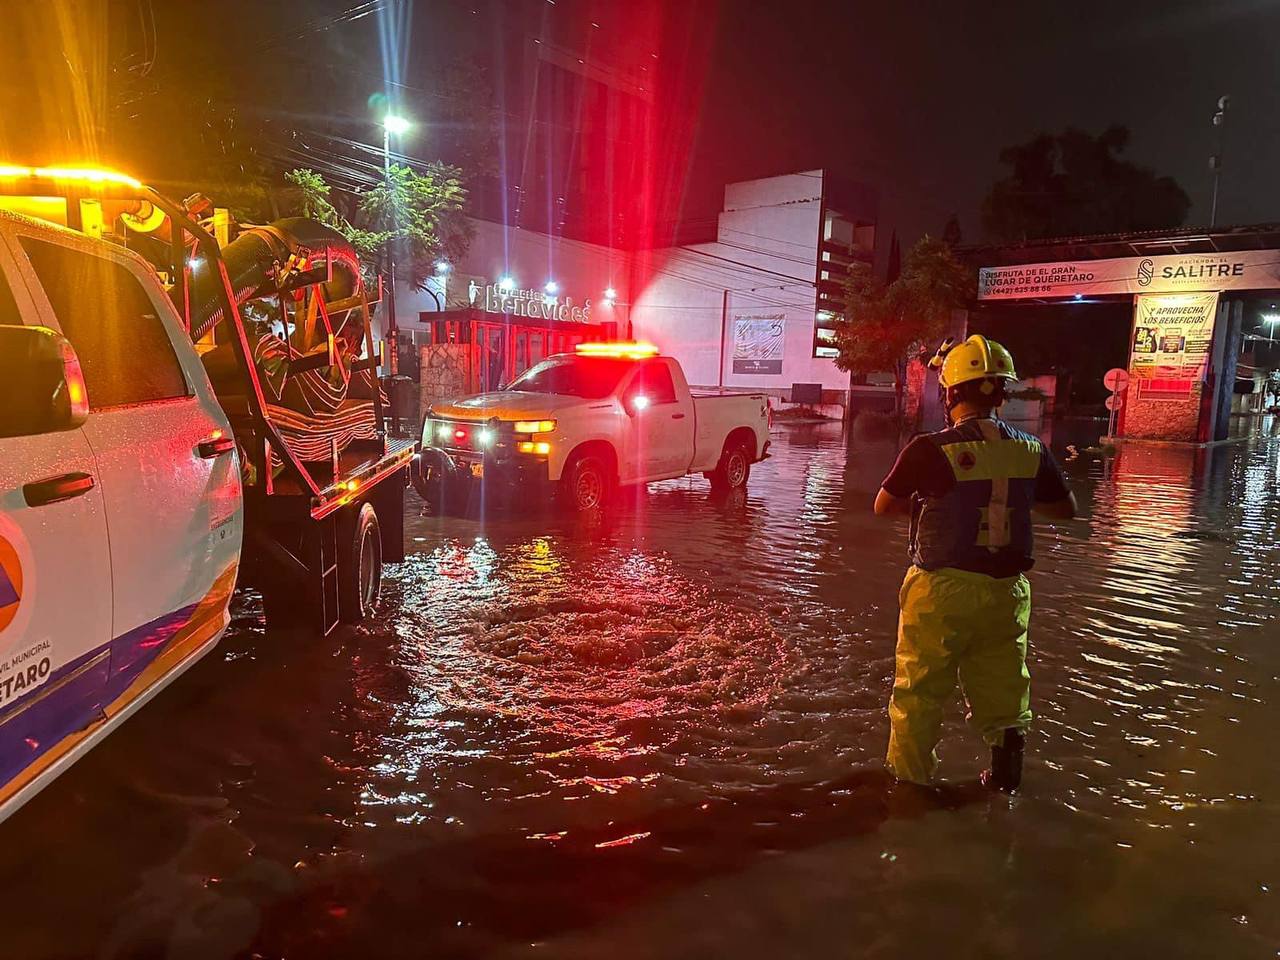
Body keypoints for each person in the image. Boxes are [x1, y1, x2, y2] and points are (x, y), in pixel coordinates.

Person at [873, 335, 1077, 793]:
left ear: (951, 393)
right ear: (1002, 393)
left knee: (918, 693)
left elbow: (884, 506)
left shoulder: (929, 448)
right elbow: (1067, 511)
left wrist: (937, 507)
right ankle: (1006, 783)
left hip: (941, 589)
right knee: (1005, 688)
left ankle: (909, 793)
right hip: (1007, 592)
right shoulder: (1031, 449)